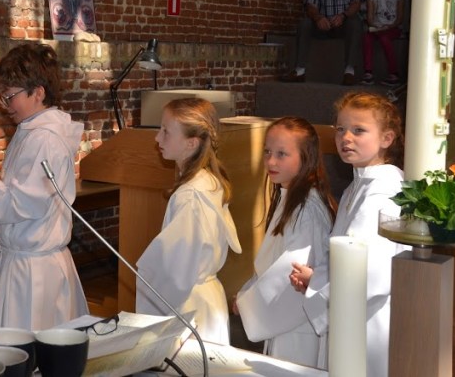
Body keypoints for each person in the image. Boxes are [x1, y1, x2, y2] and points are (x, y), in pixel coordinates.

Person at [0, 43, 88, 330]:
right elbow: (19, 191)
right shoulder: (30, 130)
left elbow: (23, 204)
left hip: (35, 273)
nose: (4, 105)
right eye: (1, 97)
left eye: (9, 96)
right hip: (23, 262)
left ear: (38, 93)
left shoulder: (44, 139)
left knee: (31, 344)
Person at [289, 91, 406, 377]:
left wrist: (318, 284)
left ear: (387, 138)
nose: (345, 138)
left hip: (370, 319)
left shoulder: (383, 191)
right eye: (340, 129)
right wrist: (317, 276)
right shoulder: (358, 185)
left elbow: (371, 271)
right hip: (353, 312)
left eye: (359, 130)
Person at [135, 98, 242, 344]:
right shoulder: (208, 180)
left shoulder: (191, 195)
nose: (157, 138)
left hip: (189, 307)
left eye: (166, 131)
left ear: (191, 143)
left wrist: (147, 276)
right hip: (205, 300)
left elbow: (176, 270)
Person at [235, 117, 337, 368]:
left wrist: (248, 304)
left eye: (282, 154)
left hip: (298, 327)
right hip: (288, 324)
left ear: (306, 158)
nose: (271, 161)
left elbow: (291, 274)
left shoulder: (306, 209)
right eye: (267, 152)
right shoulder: (291, 197)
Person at [361, 0, 406, 86]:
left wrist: (390, 26)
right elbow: (370, 17)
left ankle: (394, 74)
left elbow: (400, 17)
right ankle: (368, 73)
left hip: (393, 27)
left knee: (385, 38)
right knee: (367, 38)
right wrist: (374, 25)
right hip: (377, 28)